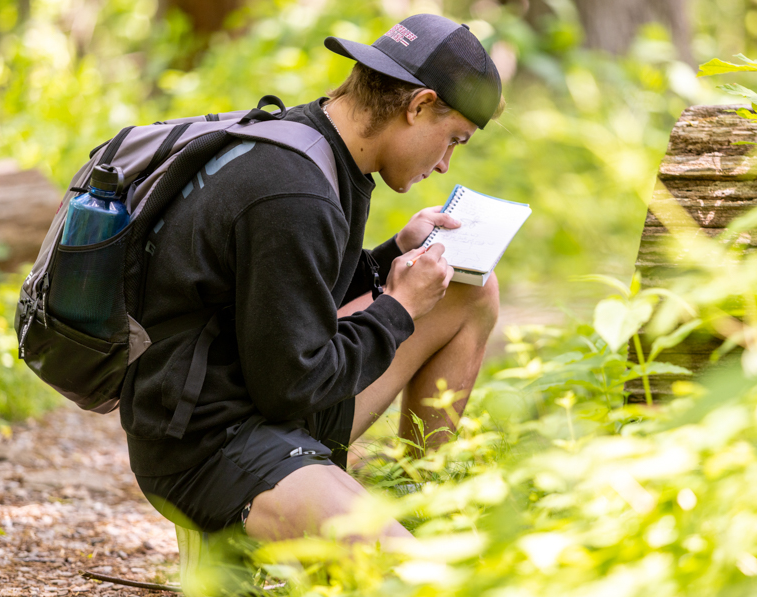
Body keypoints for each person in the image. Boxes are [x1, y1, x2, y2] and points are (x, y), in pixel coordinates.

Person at [124, 13, 505, 546]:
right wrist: (397, 308)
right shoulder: (293, 193)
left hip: (255, 396)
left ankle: (425, 502)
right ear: (418, 105)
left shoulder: (318, 143)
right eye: (453, 140)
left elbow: (291, 298)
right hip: (208, 449)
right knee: (417, 578)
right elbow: (293, 386)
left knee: (469, 286)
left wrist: (390, 255)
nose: (444, 164)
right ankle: (241, 530)